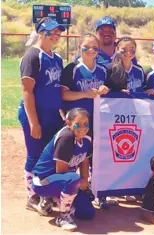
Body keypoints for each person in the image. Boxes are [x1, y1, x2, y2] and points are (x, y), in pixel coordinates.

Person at [18, 17, 66, 213]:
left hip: (53, 114)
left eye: (58, 33)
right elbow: (27, 91)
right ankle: (32, 196)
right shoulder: (32, 56)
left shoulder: (57, 58)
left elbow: (55, 89)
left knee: (49, 155)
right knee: (35, 154)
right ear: (41, 33)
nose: (55, 36)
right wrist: (33, 122)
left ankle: (46, 192)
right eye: (51, 32)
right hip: (35, 114)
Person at [60, 33, 110, 209]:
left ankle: (97, 190)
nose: (90, 51)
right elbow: (64, 94)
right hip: (77, 123)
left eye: (94, 48)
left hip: (97, 120)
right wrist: (85, 94)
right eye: (85, 47)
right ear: (78, 48)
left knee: (96, 155)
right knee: (76, 155)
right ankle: (70, 190)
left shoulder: (103, 69)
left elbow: (111, 92)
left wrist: (105, 89)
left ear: (99, 51)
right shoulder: (72, 68)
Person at [31, 108, 95, 231]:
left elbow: (85, 159)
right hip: (43, 181)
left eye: (86, 124)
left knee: (87, 212)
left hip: (63, 179)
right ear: (68, 124)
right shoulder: (66, 136)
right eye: (78, 124)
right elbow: (61, 171)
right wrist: (78, 182)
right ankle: (62, 216)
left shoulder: (88, 136)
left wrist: (85, 181)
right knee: (73, 178)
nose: (83, 128)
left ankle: (53, 200)